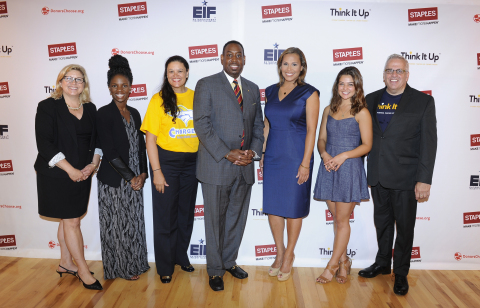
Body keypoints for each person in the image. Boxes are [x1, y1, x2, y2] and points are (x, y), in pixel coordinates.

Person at [358, 54, 437, 295]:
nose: (394, 75)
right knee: (382, 224)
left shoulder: (423, 102)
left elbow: (429, 143)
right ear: (383, 74)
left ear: (407, 75)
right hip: (378, 175)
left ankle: (401, 272)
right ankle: (383, 263)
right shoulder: (369, 100)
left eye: (399, 71)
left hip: (406, 177)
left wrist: (424, 179)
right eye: (390, 70)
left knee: (404, 227)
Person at [193, 40, 264, 291]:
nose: (234, 59)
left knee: (236, 218)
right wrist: (227, 153)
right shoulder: (206, 84)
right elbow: (201, 125)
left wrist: (252, 152)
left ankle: (228, 261)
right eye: (229, 55)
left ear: (244, 59)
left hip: (245, 166)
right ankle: (214, 270)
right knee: (214, 221)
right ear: (222, 59)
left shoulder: (254, 89)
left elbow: (257, 126)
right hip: (216, 166)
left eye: (239, 55)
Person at [35, 64, 103, 290]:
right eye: (69, 78)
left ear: (84, 84)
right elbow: (44, 144)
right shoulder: (47, 107)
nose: (74, 83)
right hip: (57, 174)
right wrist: (71, 170)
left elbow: (97, 142)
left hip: (84, 173)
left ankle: (65, 263)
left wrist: (92, 165)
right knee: (72, 221)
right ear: (60, 82)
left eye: (79, 79)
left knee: (67, 219)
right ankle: (82, 270)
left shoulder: (91, 108)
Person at [260, 47, 319, 282]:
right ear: (279, 66)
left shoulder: (309, 93)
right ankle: (279, 251)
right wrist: (263, 151)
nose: (289, 69)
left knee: (293, 207)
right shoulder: (271, 91)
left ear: (302, 67)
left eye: (294, 64)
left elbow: (312, 130)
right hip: (274, 153)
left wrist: (305, 163)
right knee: (273, 206)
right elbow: (267, 124)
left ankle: (289, 255)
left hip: (297, 155)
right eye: (285, 64)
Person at [141, 55, 198, 284]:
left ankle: (180, 256)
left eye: (180, 71)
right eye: (171, 71)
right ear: (166, 75)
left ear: (187, 73)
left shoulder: (197, 96)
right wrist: (156, 171)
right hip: (166, 163)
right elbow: (150, 140)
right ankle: (165, 265)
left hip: (193, 163)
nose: (175, 75)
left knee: (185, 214)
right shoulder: (158, 100)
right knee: (165, 216)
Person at [313, 66, 372, 284]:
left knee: (341, 220)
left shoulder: (362, 112)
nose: (345, 88)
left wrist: (343, 156)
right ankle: (345, 260)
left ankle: (332, 266)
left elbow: (367, 145)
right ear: (336, 86)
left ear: (357, 87)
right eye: (341, 83)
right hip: (329, 167)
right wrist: (325, 153)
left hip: (348, 168)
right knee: (338, 221)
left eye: (350, 84)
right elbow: (321, 139)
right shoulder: (328, 109)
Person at [96, 55, 150, 281]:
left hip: (136, 178)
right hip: (114, 180)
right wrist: (131, 178)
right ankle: (119, 268)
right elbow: (109, 151)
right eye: (115, 86)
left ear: (131, 88)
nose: (120, 90)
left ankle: (137, 263)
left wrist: (144, 174)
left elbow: (141, 147)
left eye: (124, 85)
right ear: (109, 88)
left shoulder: (135, 113)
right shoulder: (103, 113)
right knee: (116, 225)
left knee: (134, 222)